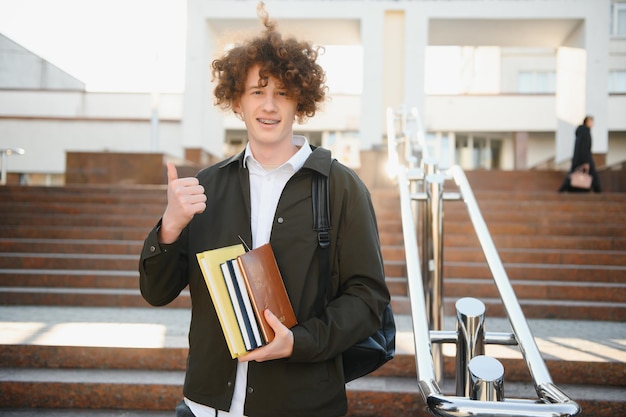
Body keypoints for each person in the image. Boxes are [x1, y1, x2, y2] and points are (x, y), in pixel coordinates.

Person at [138, 3, 390, 417]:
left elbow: (367, 299)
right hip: (207, 406)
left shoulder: (341, 186)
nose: (269, 106)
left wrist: (300, 341)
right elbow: (156, 291)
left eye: (282, 94)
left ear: (300, 103)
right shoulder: (206, 187)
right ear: (237, 102)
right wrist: (169, 226)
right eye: (257, 91)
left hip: (301, 403)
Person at [558, 115, 602, 192]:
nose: (592, 124)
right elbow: (585, 148)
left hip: (578, 160)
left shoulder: (581, 132)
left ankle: (562, 191)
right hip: (584, 159)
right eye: (591, 122)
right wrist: (586, 162)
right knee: (594, 177)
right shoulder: (585, 132)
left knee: (572, 176)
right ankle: (599, 194)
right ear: (587, 121)